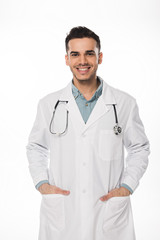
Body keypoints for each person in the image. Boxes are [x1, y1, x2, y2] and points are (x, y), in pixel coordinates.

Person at [26, 26, 150, 240]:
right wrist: (42, 183)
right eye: (75, 54)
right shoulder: (49, 104)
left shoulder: (124, 103)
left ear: (99, 57)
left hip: (108, 212)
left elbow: (139, 147)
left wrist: (127, 187)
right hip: (63, 211)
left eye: (89, 53)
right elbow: (36, 146)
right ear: (66, 59)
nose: (82, 61)